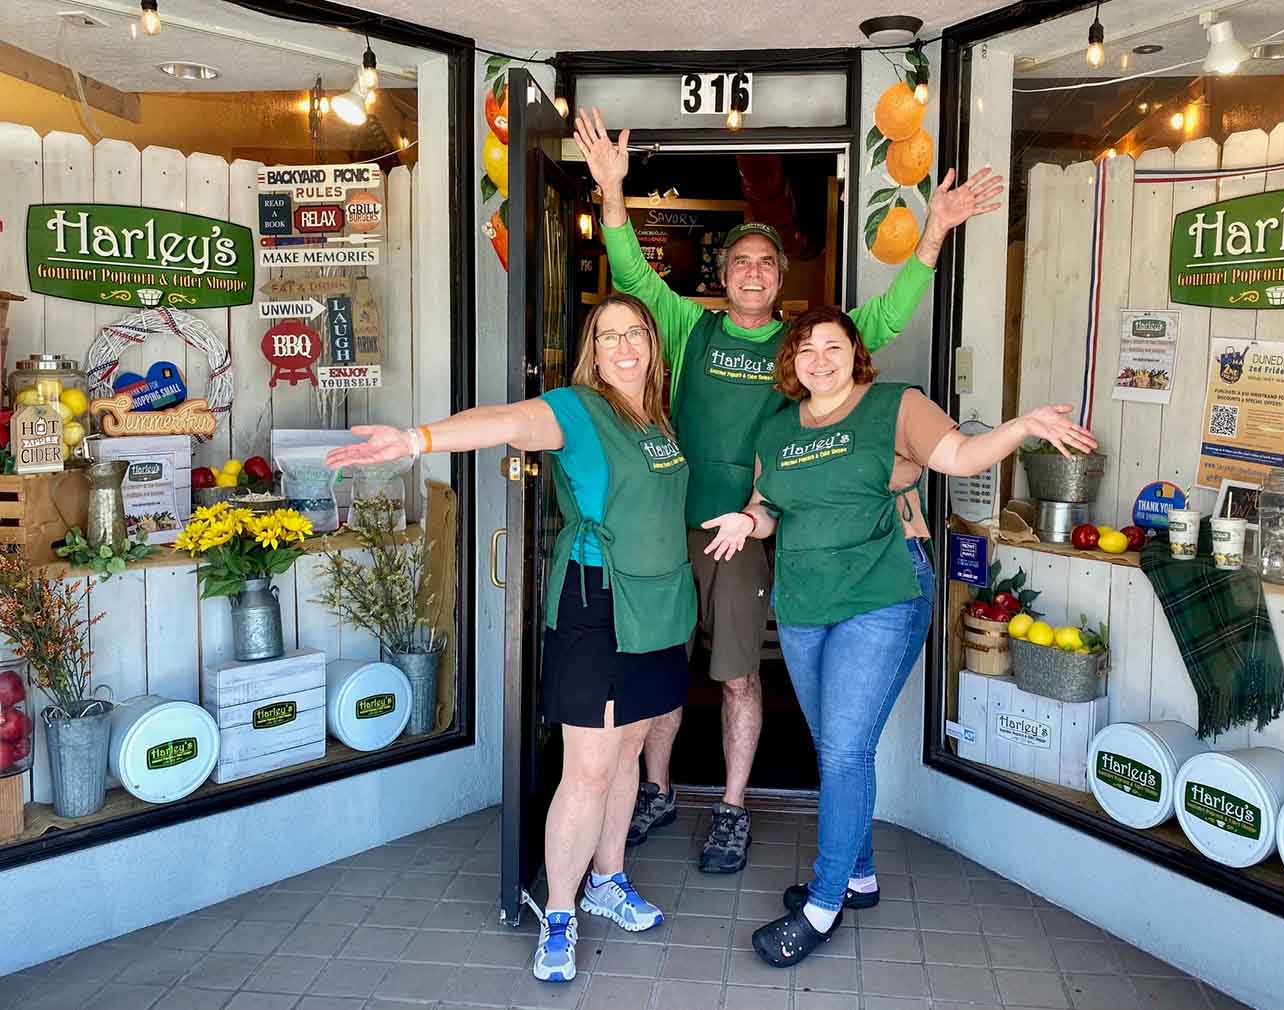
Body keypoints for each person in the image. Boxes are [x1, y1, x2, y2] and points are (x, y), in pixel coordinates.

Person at [574, 108, 1004, 873]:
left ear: (781, 279)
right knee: (661, 668)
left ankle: (733, 807)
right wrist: (611, 193)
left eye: (765, 263)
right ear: (721, 272)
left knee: (738, 672)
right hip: (666, 528)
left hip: (747, 532)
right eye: (738, 260)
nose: (751, 271)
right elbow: (634, 273)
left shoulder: (809, 347)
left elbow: (890, 312)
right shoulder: (685, 328)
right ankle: (659, 788)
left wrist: (934, 231)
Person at [700, 306, 1096, 966]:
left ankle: (823, 904)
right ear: (791, 363)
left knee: (847, 748)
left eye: (832, 345)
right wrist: (747, 520)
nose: (818, 358)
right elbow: (771, 506)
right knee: (834, 744)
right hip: (804, 601)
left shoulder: (895, 406)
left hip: (881, 592)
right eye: (804, 349)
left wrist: (1023, 426)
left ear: (856, 353)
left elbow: (963, 454)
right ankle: (858, 878)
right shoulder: (777, 428)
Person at [326, 293, 693, 985]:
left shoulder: (659, 419)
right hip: (600, 604)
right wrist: (415, 441)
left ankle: (607, 881)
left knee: (631, 749)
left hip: (663, 604)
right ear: (593, 350)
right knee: (587, 766)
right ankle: (559, 912)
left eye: (635, 333)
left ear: (652, 343)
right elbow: (501, 420)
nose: (623, 347)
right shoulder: (577, 409)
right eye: (608, 336)